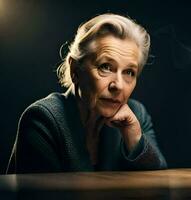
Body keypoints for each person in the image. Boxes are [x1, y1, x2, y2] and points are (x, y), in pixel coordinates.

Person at [6, 13, 167, 173]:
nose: (118, 85)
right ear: (75, 70)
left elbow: (160, 184)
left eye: (129, 72)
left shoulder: (136, 114)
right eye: (105, 67)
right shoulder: (43, 119)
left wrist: (135, 138)